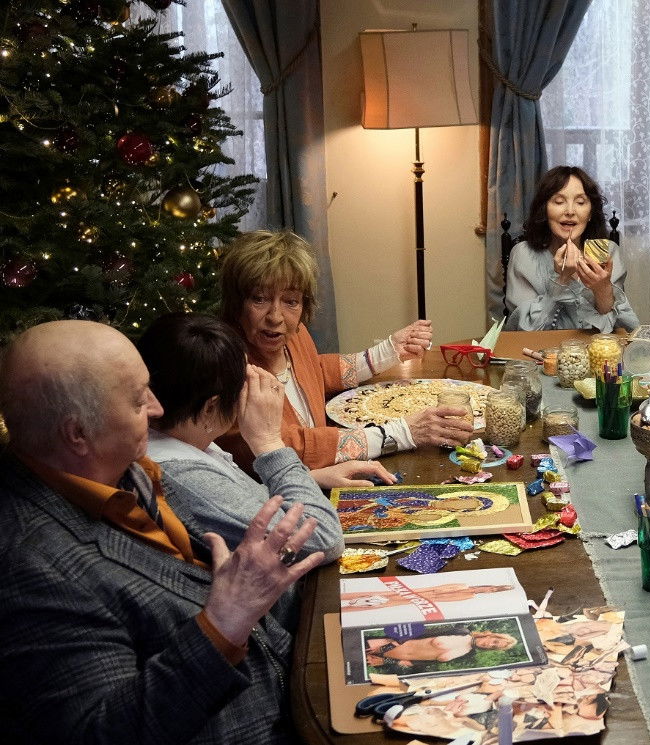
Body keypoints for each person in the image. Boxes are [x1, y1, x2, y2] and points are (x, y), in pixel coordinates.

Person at [0, 320, 324, 744]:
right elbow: (104, 733)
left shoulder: (120, 469)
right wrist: (224, 624)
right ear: (78, 434)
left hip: (289, 678)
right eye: (138, 401)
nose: (156, 408)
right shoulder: (30, 566)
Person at [139, 313, 393, 565]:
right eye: (243, 384)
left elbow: (246, 500)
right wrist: (269, 443)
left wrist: (312, 478)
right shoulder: (184, 479)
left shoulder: (186, 436)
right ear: (210, 408)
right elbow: (324, 540)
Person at [214, 230, 473, 471]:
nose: (276, 317)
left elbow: (316, 370)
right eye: (259, 299)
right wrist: (401, 433)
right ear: (237, 303)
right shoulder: (229, 369)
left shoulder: (294, 334)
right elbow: (287, 448)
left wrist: (388, 351)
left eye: (290, 301)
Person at [504, 166, 640, 332]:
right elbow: (524, 332)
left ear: (590, 213)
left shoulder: (608, 252)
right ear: (544, 209)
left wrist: (602, 290)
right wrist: (561, 280)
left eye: (580, 202)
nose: (570, 211)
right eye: (559, 202)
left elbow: (624, 331)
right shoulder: (523, 255)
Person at [366, 628, 519, 668]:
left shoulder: (468, 654)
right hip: (385, 644)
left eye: (494, 647)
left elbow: (423, 663)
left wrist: (386, 661)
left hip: (387, 659)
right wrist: (389, 644)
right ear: (491, 635)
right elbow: (423, 632)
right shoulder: (462, 632)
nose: (490, 645)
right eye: (494, 641)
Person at [340, 583, 515, 609]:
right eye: (491, 588)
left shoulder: (468, 596)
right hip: (422, 592)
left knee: (382, 602)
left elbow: (443, 598)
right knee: (383, 595)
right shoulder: (463, 586)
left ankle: (352, 605)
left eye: (492, 592)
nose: (488, 591)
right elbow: (438, 590)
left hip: (423, 599)